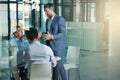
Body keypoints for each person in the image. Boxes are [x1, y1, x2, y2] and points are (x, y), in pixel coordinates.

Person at [43, 3, 67, 80]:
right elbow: (48, 32)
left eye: (47, 11)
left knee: (59, 66)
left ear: (52, 9)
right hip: (49, 46)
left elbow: (63, 34)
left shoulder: (60, 19)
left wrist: (52, 36)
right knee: (53, 66)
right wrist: (43, 34)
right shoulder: (47, 20)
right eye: (45, 11)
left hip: (57, 47)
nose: (46, 13)